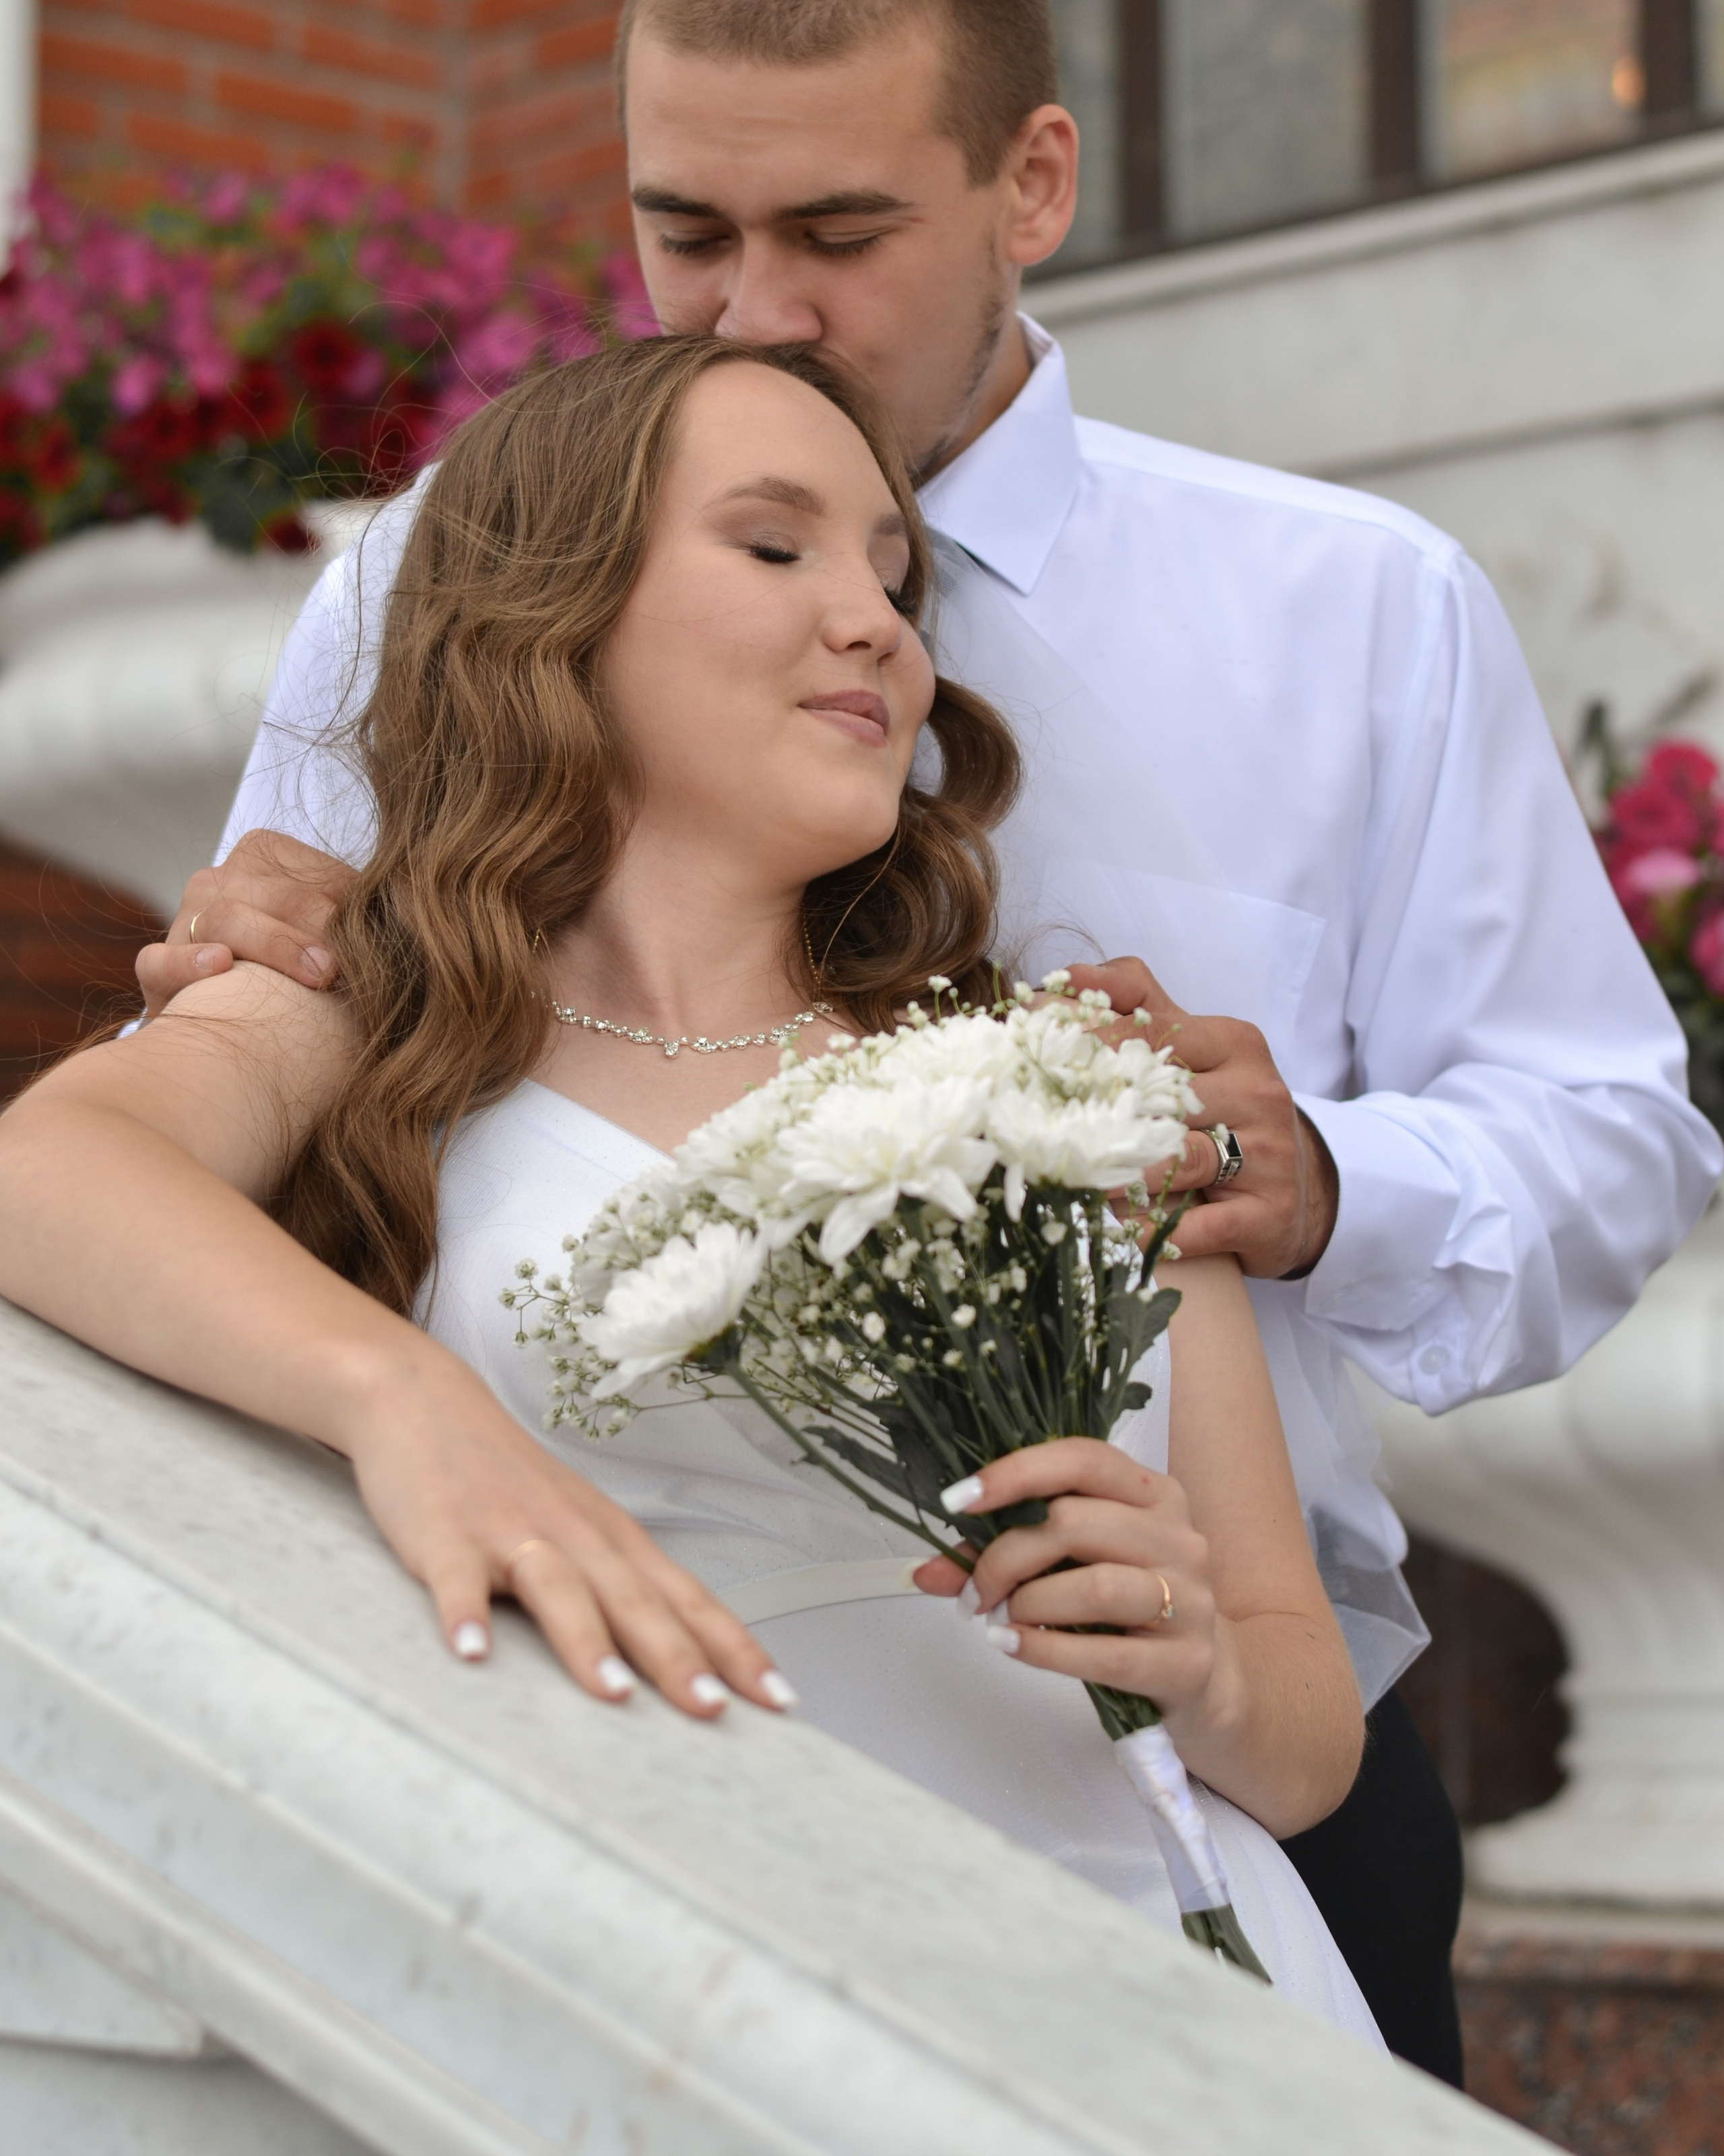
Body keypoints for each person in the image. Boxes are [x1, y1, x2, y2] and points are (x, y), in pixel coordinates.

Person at [135, 0, 1722, 2077]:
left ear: (1030, 181)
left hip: (1236, 1750)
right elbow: (299, 1074)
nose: (752, 310)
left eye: (839, 236)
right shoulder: (444, 574)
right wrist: (271, 947)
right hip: (628, 1809)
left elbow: (1612, 1137)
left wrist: (1326, 1178)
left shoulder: (1356, 610)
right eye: (684, 230)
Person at [0, 336, 1382, 2044]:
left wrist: (1204, 1666)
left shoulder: (1061, 1084)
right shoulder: (358, 1006)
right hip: (707, 2000)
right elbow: (43, 1170)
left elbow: (1308, 1732)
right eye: (773, 543)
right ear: (553, 609)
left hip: (1178, 1993)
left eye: (892, 571)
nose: (876, 619)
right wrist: (399, 1399)